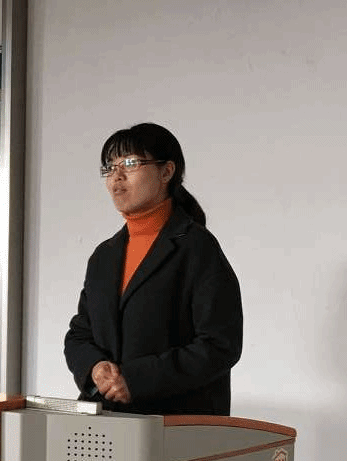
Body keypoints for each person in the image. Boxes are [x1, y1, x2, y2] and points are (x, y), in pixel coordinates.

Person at [64, 123, 242, 416]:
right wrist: (94, 367)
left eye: (130, 164)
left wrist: (136, 380)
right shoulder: (104, 256)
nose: (116, 176)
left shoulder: (197, 247)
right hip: (107, 423)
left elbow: (220, 345)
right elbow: (80, 334)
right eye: (110, 167)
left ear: (166, 171)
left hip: (176, 424)